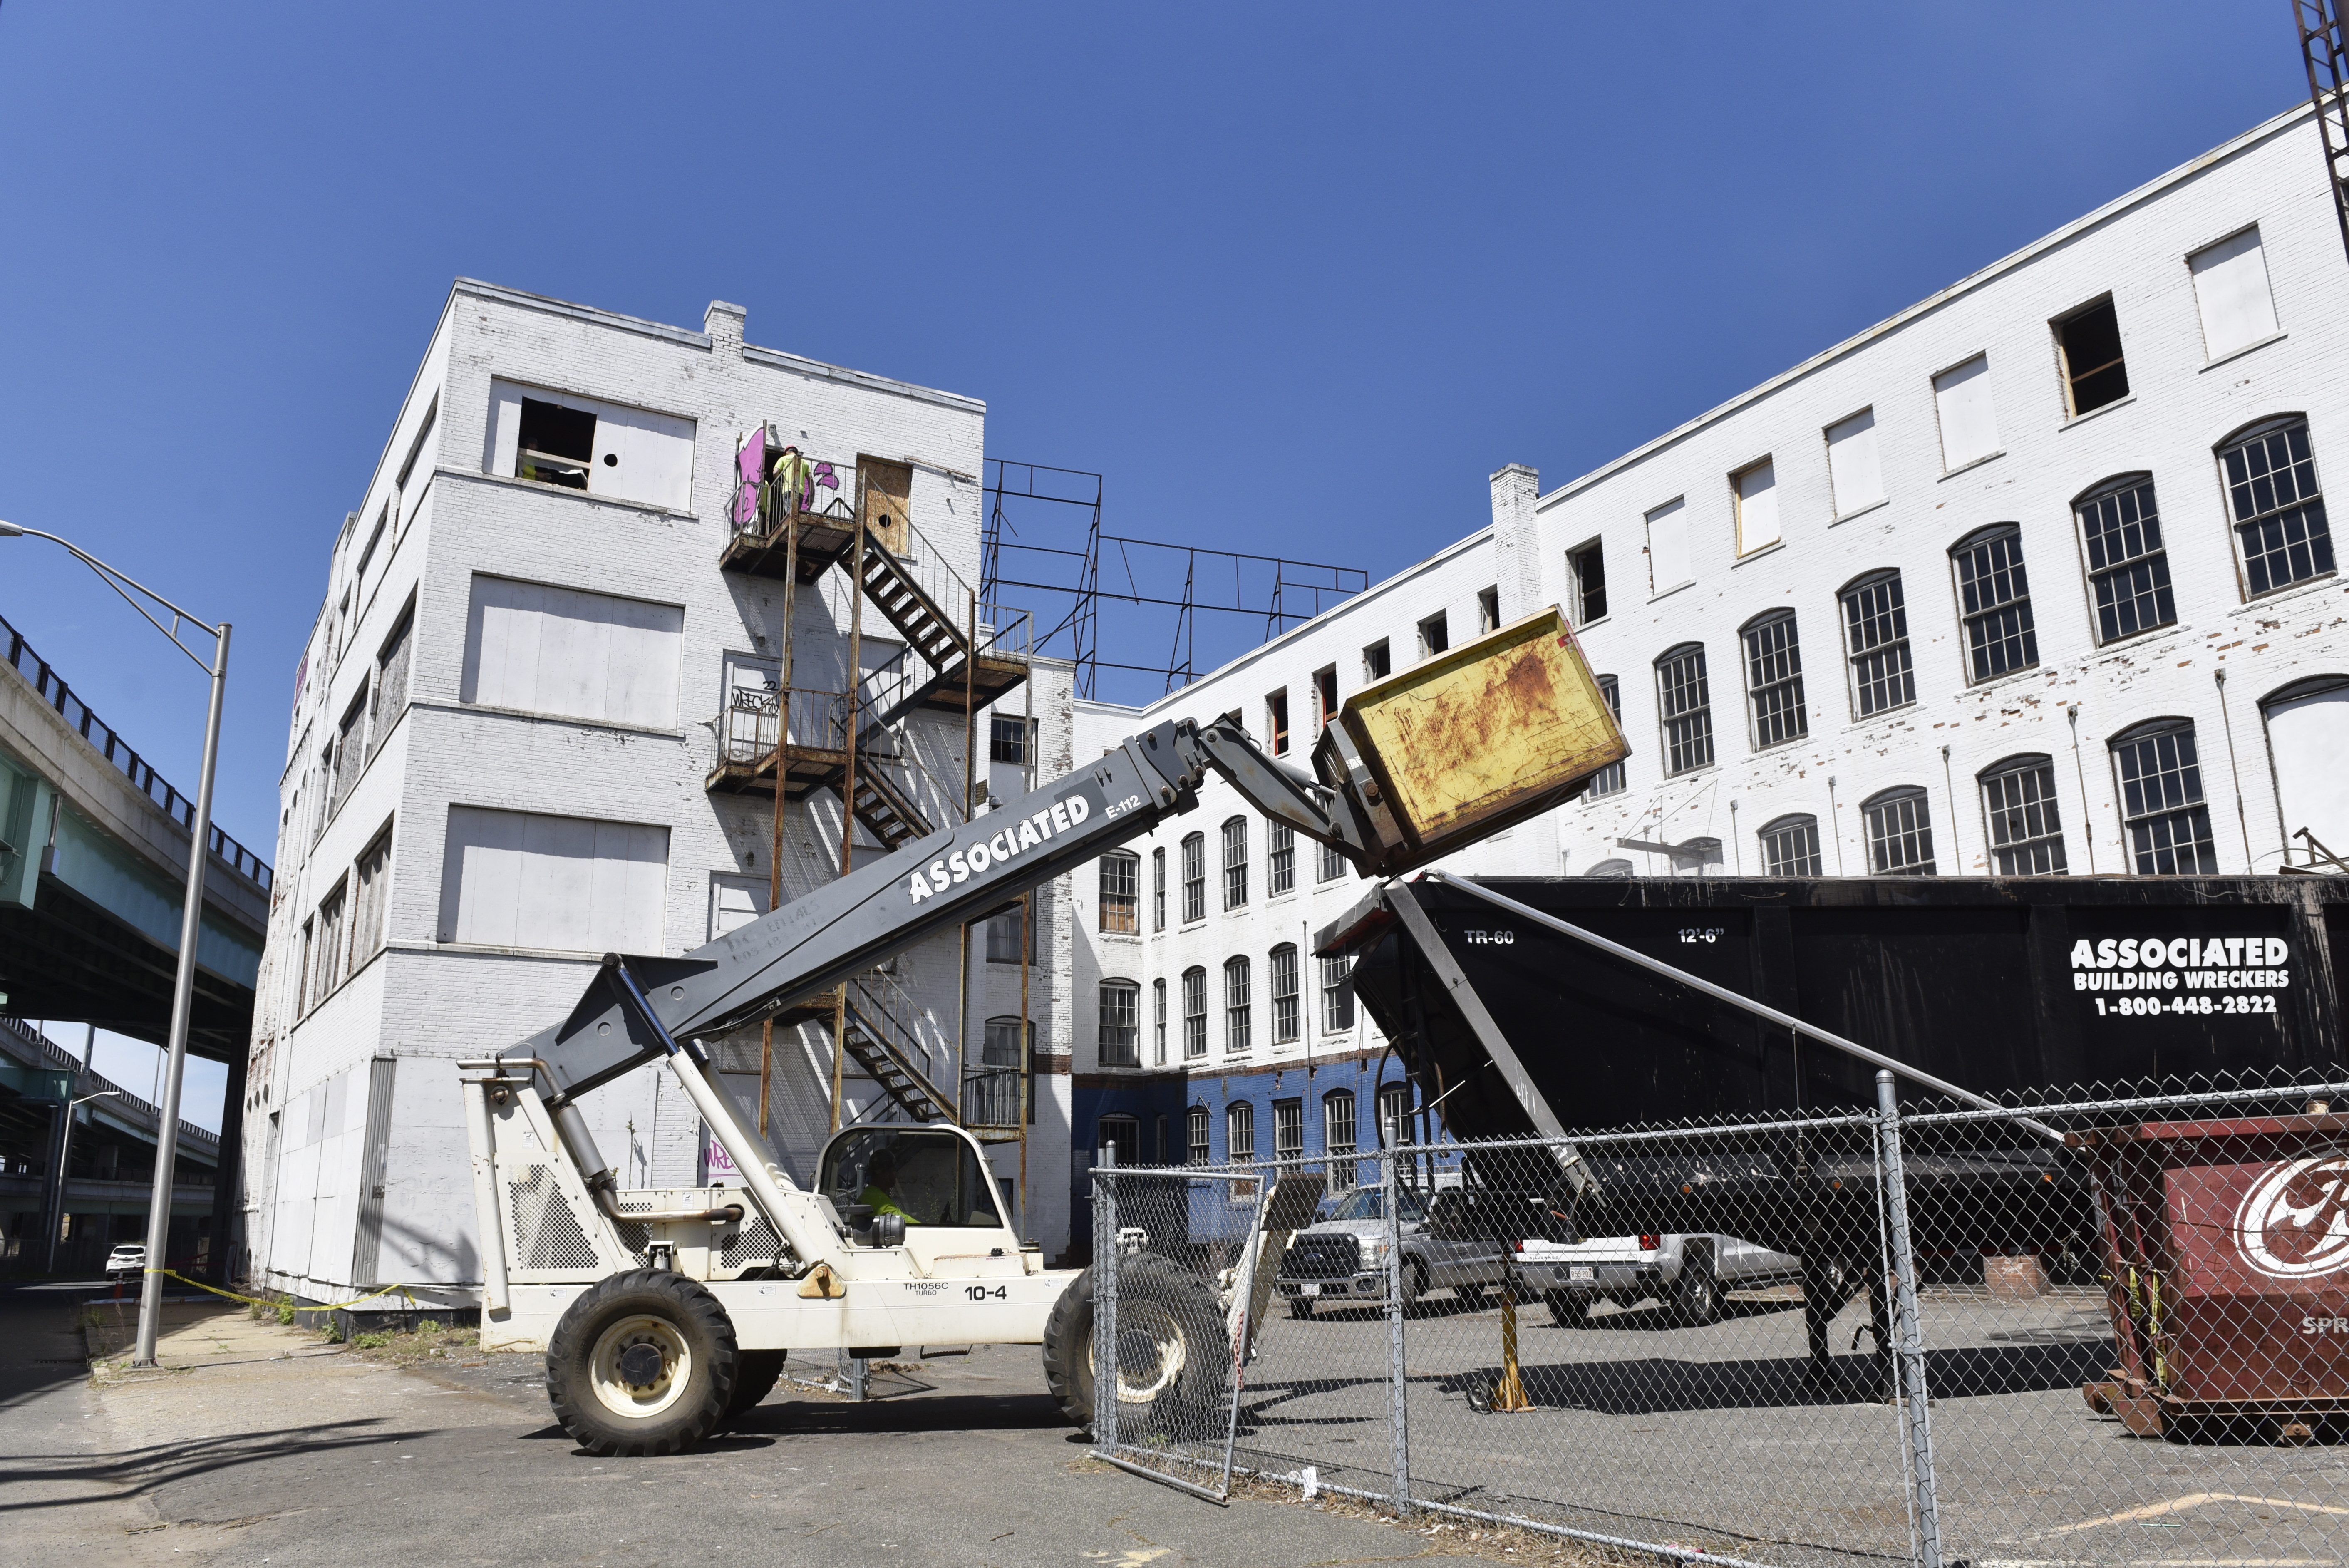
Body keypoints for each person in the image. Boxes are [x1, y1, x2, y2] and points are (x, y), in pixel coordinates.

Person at [858, 1149, 918, 1225]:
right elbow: (902, 1220)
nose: (895, 1175)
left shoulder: (870, 1194)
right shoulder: (878, 1199)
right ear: (884, 1173)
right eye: (893, 1170)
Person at [769, 444, 813, 521]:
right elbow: (811, 480)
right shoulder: (804, 462)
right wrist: (811, 494)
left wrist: (778, 484)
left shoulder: (783, 459)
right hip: (800, 491)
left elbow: (775, 473)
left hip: (788, 489)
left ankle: (790, 527)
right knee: (796, 513)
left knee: (790, 513)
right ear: (796, 452)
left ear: (786, 452)